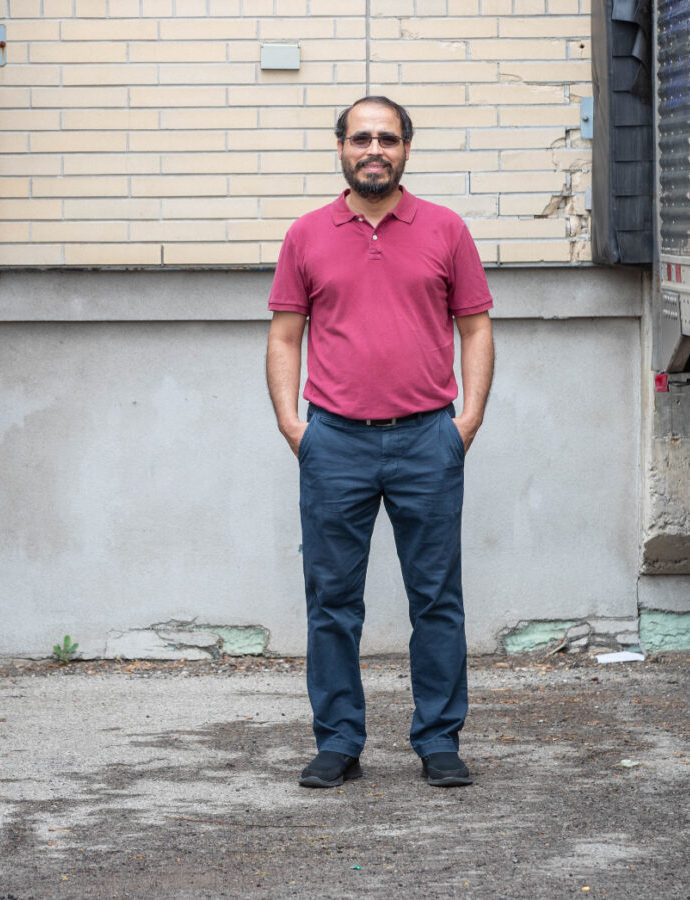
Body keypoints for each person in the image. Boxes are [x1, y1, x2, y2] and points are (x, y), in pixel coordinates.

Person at [265, 96, 495, 789]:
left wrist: (468, 421)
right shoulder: (306, 235)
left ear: (405, 149)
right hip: (334, 440)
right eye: (361, 137)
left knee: (436, 599)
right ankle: (338, 740)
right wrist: (292, 425)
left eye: (387, 139)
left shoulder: (446, 229)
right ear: (339, 147)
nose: (374, 149)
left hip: (428, 437)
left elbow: (476, 328)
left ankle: (439, 740)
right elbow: (284, 335)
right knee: (333, 600)